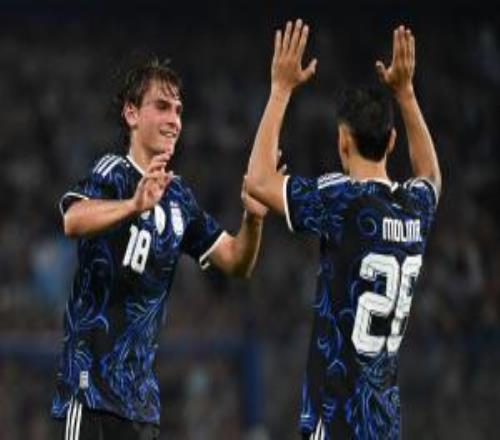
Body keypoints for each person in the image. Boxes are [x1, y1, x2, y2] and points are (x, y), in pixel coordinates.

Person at [52, 57, 270, 440]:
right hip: (89, 394)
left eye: (179, 111)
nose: (174, 120)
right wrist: (132, 206)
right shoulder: (113, 172)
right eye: (162, 106)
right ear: (131, 113)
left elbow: (238, 262)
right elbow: (73, 219)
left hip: (142, 406)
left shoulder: (179, 198)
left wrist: (253, 218)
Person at [246, 20, 441, 439]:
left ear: (342, 142)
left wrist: (280, 89)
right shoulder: (416, 207)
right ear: (392, 141)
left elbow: (258, 181)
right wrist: (406, 94)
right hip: (383, 422)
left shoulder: (344, 200)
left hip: (337, 419)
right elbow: (430, 175)